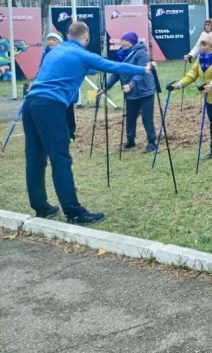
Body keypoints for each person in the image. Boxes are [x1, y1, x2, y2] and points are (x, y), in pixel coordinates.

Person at [23, 21, 154, 224]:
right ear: (87, 37)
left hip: (31, 103)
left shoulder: (54, 51)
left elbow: (89, 69)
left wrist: (91, 67)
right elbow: (112, 66)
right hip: (50, 106)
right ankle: (74, 213)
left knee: (35, 158)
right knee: (61, 159)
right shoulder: (82, 54)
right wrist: (143, 69)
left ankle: (41, 207)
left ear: (67, 36)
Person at [168, 31, 212, 162]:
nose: (202, 47)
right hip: (210, 97)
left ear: (211, 44)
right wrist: (179, 85)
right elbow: (192, 74)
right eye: (201, 44)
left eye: (204, 44)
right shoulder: (201, 57)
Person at [100, 32, 157, 154]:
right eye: (122, 40)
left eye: (127, 40)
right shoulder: (120, 54)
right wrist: (106, 87)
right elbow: (116, 72)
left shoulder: (141, 53)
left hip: (144, 90)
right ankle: (130, 140)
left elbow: (143, 71)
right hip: (129, 92)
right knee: (130, 117)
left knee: (147, 118)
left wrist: (131, 84)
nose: (124, 42)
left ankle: (151, 142)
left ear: (133, 42)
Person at [42, 32, 76, 142]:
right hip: (50, 88)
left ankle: (70, 134)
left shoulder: (66, 53)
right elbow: (41, 70)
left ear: (60, 42)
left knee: (67, 111)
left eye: (54, 39)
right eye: (49, 39)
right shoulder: (45, 54)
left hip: (65, 88)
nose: (51, 41)